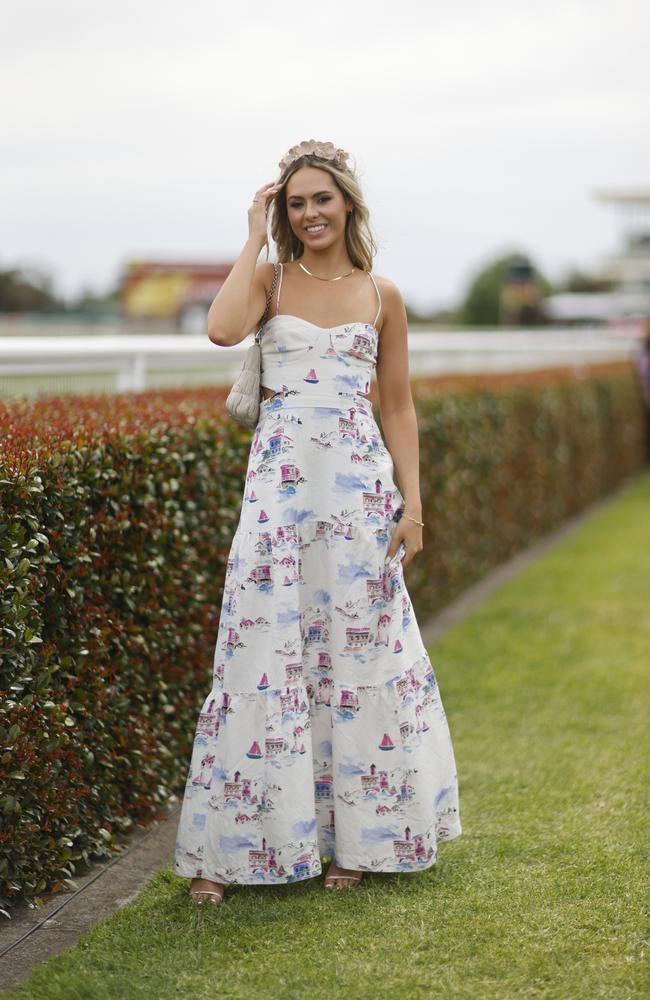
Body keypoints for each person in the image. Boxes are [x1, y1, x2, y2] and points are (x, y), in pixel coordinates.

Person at [174, 139, 462, 904]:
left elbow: (397, 405)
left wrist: (415, 506)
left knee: (359, 656)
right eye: (294, 203)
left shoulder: (381, 294)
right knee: (258, 646)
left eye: (321, 200)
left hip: (359, 497)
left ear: (347, 204)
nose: (309, 215)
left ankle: (362, 840)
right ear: (283, 212)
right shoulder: (269, 279)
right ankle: (234, 850)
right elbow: (220, 330)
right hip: (278, 497)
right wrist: (250, 235)